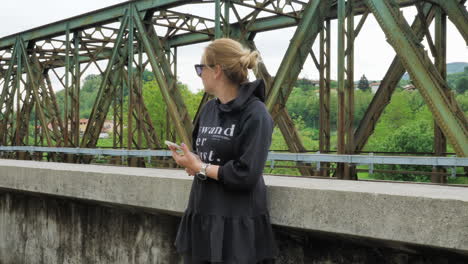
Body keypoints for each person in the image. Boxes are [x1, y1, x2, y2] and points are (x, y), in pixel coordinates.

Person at [168, 38, 279, 264]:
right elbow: (206, 159)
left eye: (201, 68)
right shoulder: (209, 109)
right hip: (203, 212)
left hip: (237, 223)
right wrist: (193, 163)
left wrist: (201, 167)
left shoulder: (256, 114)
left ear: (217, 70)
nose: (199, 74)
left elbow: (246, 174)